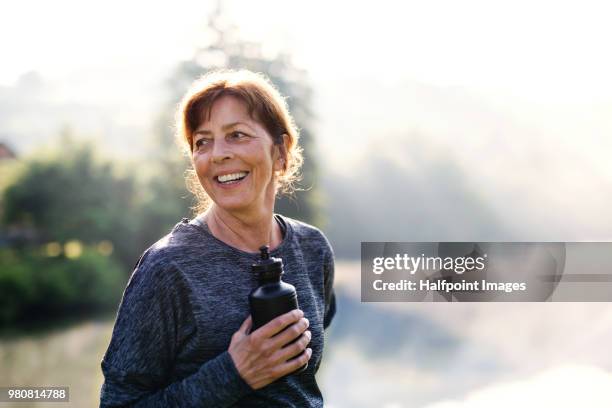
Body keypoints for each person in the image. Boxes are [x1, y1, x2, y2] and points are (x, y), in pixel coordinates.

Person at [99, 70, 336, 407]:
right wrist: (233, 373)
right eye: (202, 142)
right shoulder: (166, 268)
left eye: (237, 135)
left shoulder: (312, 248)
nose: (217, 154)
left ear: (280, 152)